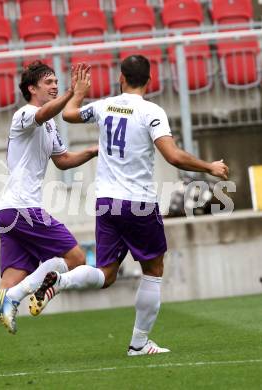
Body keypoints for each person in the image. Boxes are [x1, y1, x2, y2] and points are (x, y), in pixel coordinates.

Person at [29, 55, 229, 356]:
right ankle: (138, 343)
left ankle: (62, 280)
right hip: (139, 203)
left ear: (121, 78)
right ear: (149, 81)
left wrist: (79, 92)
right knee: (154, 268)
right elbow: (173, 156)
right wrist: (209, 167)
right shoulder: (152, 111)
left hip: (107, 202)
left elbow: (69, 115)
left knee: (106, 274)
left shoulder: (104, 105)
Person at [0, 61, 97, 367]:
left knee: (5, 286)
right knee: (76, 259)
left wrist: (95, 151)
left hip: (12, 211)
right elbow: (44, 112)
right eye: (49, 82)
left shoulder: (49, 125)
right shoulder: (25, 115)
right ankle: (16, 297)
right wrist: (74, 91)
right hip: (22, 209)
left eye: (57, 82)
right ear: (32, 89)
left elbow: (63, 160)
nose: (55, 85)